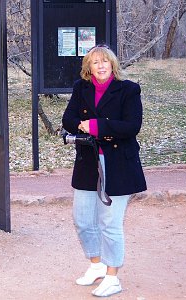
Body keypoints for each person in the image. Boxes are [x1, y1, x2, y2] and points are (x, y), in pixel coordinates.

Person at [62, 45, 147, 297]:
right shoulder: (81, 88)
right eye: (95, 62)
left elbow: (132, 126)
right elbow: (68, 120)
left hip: (119, 162)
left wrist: (97, 126)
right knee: (82, 218)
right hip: (88, 162)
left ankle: (113, 277)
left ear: (112, 65)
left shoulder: (129, 89)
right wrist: (82, 125)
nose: (100, 66)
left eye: (105, 62)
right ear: (88, 67)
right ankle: (96, 265)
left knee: (110, 223)